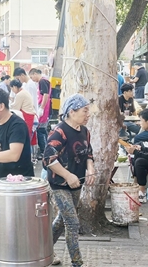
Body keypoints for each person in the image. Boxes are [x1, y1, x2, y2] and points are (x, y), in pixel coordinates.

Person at [42, 94, 95, 267]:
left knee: (61, 221)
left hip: (77, 183)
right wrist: (67, 175)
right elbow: (48, 159)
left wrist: (91, 169)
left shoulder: (84, 131)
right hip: (59, 184)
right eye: (85, 110)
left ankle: (43, 251)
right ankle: (77, 262)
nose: (88, 114)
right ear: (71, 112)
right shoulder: (59, 132)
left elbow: (88, 153)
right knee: (72, 222)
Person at [29, 68, 52, 159]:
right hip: (44, 109)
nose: (32, 79)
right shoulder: (44, 81)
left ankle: (44, 151)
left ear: (35, 74)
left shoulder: (42, 81)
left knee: (41, 131)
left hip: (44, 110)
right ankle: (46, 150)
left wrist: (41, 108)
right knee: (43, 131)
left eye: (32, 77)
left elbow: (45, 95)